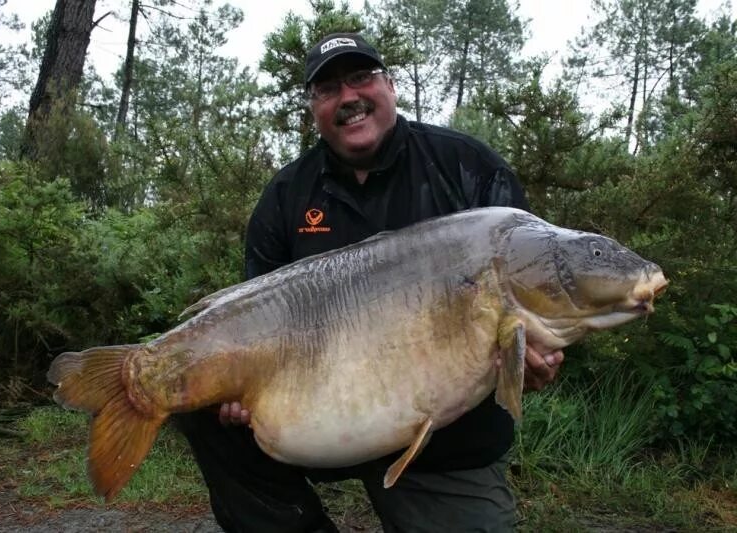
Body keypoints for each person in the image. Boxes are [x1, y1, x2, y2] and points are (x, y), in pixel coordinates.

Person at [175, 32, 564, 533]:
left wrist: (529, 358)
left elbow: (534, 289)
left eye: (361, 77)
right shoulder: (287, 195)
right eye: (329, 88)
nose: (348, 98)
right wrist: (238, 384)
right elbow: (254, 319)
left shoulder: (467, 169)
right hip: (316, 414)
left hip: (443, 439)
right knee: (197, 399)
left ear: (390, 84)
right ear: (313, 108)